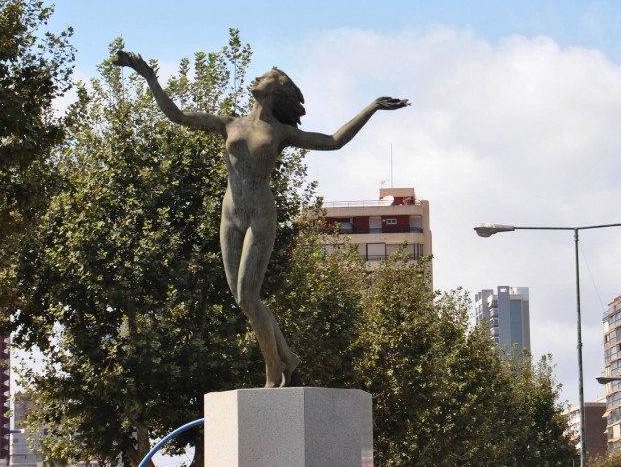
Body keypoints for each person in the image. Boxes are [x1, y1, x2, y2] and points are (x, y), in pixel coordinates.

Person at [115, 51, 409, 388]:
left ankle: (274, 370)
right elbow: (178, 116)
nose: (257, 78)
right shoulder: (230, 124)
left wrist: (371, 107)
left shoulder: (281, 132)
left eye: (266, 76)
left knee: (248, 297)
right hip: (230, 214)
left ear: (277, 90)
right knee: (243, 300)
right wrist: (148, 76)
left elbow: (333, 141)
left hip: (259, 214)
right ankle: (289, 358)